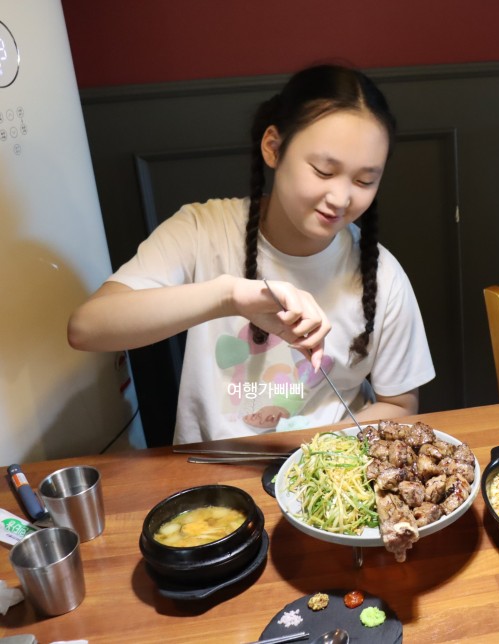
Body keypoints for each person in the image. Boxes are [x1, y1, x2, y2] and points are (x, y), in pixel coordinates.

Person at [68, 64, 435, 444]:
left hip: (327, 476)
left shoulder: (383, 275)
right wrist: (229, 297)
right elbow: (87, 328)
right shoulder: (202, 230)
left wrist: (311, 449)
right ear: (273, 148)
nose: (341, 198)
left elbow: (401, 406)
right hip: (212, 475)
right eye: (324, 171)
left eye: (364, 181)